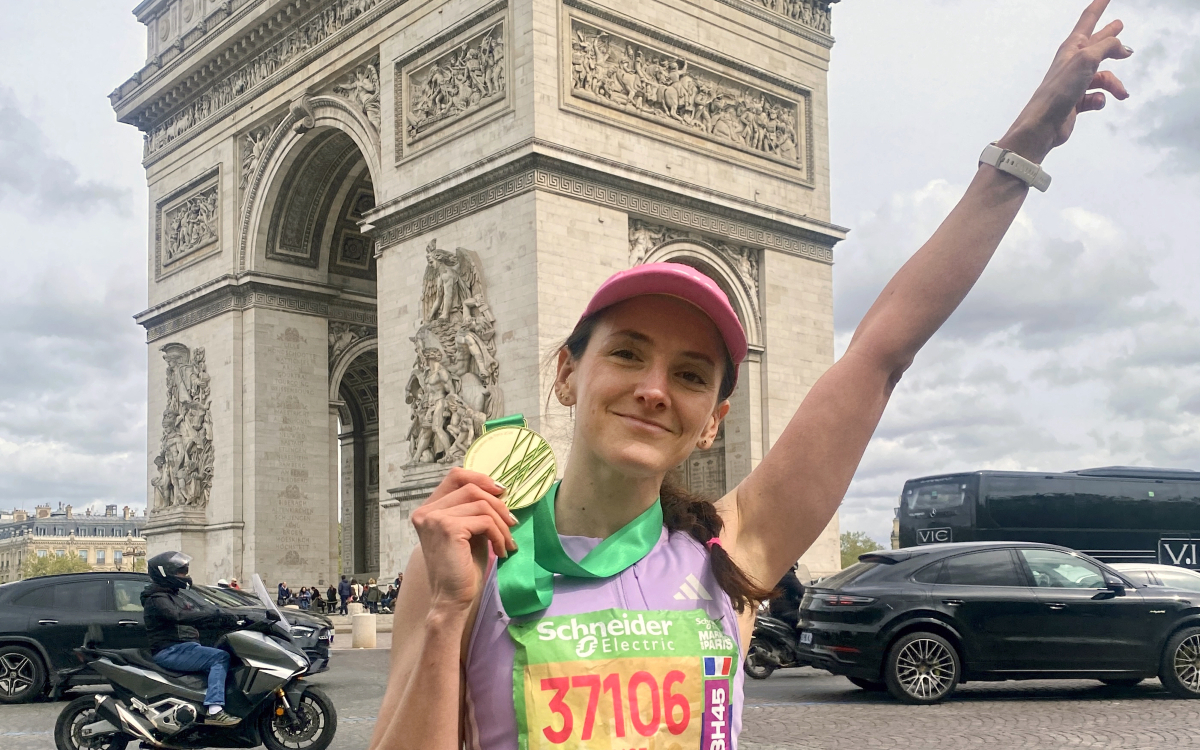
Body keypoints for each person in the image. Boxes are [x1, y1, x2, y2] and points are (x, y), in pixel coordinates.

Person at [369, 4, 1133, 748]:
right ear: (568, 372)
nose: (654, 388)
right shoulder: (470, 564)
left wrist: (1022, 148)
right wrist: (446, 615)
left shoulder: (732, 551)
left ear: (713, 421)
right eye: (628, 353)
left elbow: (881, 353)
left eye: (690, 374)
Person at [142, 551, 244, 727]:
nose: (185, 576)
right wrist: (214, 614)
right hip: (169, 650)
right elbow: (178, 616)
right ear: (165, 574)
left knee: (226, 652)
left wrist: (231, 618)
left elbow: (196, 616)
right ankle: (215, 711)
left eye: (184, 571)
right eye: (180, 572)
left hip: (183, 646)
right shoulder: (157, 599)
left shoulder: (173, 595)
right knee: (220, 657)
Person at [768, 564, 805, 630]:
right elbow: (802, 591)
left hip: (776, 610)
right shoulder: (788, 576)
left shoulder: (778, 575)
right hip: (786, 611)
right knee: (804, 618)